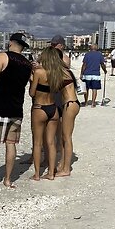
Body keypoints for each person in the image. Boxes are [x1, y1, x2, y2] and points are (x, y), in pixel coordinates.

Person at [0, 32, 33, 189]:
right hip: (17, 109)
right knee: (11, 144)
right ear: (23, 47)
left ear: (10, 43)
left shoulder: (2, 57)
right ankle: (8, 180)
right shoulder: (28, 64)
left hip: (0, 107)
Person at [27, 48, 72, 180]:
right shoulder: (58, 73)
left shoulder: (39, 72)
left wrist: (32, 78)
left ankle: (36, 175)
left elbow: (32, 93)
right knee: (51, 142)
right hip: (53, 109)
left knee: (37, 143)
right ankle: (51, 173)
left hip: (40, 108)